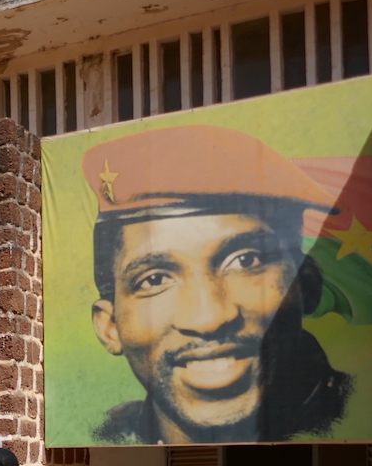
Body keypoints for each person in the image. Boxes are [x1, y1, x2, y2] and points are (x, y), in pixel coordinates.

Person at [83, 125, 352, 444]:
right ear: (110, 327)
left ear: (306, 285)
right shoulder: (110, 433)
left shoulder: (355, 412)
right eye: (154, 279)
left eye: (246, 261)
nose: (208, 318)